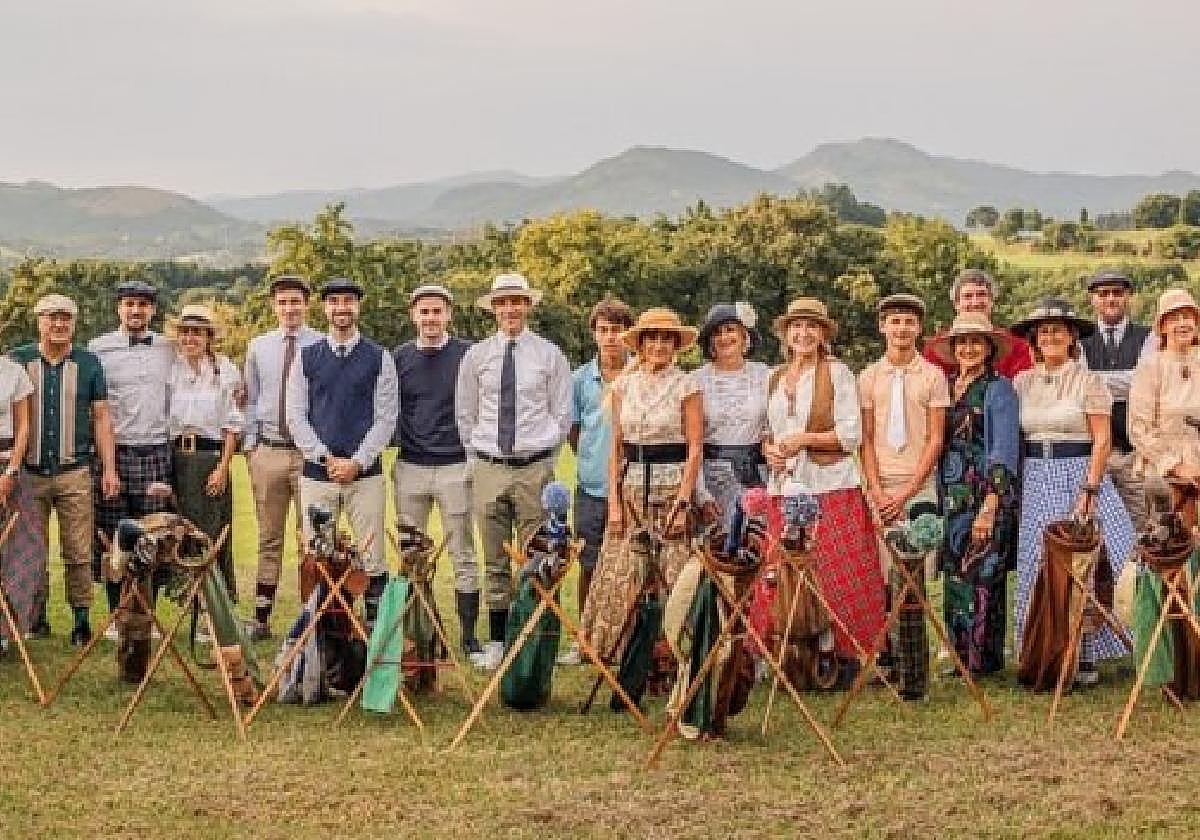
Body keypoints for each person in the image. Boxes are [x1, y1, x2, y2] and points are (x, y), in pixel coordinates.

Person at [1010, 298, 1134, 686]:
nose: (1050, 337)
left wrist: (1090, 487)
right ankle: (1043, 649)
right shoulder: (1022, 382)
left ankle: (1083, 653)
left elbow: (1101, 440)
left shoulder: (1088, 381)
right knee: (1039, 563)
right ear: (1034, 339)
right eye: (1043, 331)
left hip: (1077, 472)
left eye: (1058, 331)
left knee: (1086, 562)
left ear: (1072, 338)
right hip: (1036, 475)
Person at [764, 297, 886, 683]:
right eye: (796, 326)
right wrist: (771, 451)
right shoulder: (775, 376)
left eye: (811, 327)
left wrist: (802, 439)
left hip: (830, 484)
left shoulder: (836, 373)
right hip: (785, 487)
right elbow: (769, 432)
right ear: (786, 333)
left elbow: (851, 435)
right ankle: (794, 657)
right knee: (787, 573)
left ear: (822, 334)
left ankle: (840, 659)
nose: (803, 334)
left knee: (835, 573)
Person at [455, 273, 571, 669]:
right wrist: (478, 458)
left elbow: (562, 413)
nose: (510, 310)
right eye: (502, 303)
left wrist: (544, 456)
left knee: (538, 557)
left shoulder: (549, 355)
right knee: (495, 561)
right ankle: (500, 642)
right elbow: (465, 413)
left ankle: (533, 639)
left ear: (528, 305)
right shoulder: (478, 357)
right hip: (489, 467)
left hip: (534, 468)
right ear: (494, 309)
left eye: (517, 302)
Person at [579, 308, 703, 666]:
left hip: (672, 488)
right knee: (623, 570)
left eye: (667, 338)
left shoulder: (687, 384)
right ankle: (620, 648)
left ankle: (680, 648)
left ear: (676, 344)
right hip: (632, 489)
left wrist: (683, 500)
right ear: (642, 343)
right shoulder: (623, 386)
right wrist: (614, 506)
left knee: (677, 572)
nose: (660, 345)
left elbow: (695, 449)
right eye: (653, 338)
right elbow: (615, 448)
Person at [285, 277, 398, 630]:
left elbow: (386, 417)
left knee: (372, 554)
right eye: (334, 301)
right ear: (325, 308)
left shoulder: (380, 357)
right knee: (320, 556)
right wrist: (324, 458)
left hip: (365, 475)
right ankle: (328, 631)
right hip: (318, 475)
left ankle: (375, 630)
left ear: (357, 306)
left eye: (348, 300)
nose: (341, 307)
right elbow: (295, 414)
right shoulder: (308, 357)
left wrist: (357, 462)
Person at [11, 293, 118, 646]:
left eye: (65, 319)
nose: (58, 325)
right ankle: (33, 617)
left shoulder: (89, 363)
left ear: (74, 323)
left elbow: (102, 417)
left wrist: (110, 469)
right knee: (30, 549)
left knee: (78, 550)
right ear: (39, 321)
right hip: (30, 472)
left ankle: (81, 619)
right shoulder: (19, 361)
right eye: (51, 318)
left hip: (75, 471)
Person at [857, 293, 949, 693]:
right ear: (882, 327)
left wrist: (911, 489)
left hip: (917, 483)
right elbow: (865, 437)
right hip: (880, 484)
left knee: (912, 575)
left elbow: (936, 438)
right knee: (880, 574)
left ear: (919, 328)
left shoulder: (932, 376)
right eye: (894, 321)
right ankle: (886, 656)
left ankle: (915, 660)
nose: (901, 329)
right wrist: (877, 490)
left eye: (909, 322)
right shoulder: (868, 377)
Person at [925, 312, 1020, 675]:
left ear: (989, 348)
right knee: (955, 575)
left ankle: (982, 659)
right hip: (952, 495)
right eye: (962, 342)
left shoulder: (999, 388)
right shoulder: (946, 386)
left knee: (983, 576)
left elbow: (1004, 449)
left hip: (985, 494)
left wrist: (991, 504)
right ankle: (958, 654)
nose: (968, 348)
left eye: (976, 342)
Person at [392, 283, 480, 664]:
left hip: (455, 465)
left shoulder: (468, 355)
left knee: (462, 551)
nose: (430, 318)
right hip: (411, 464)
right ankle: (414, 630)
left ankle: (469, 636)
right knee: (410, 552)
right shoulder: (399, 358)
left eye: (437, 311)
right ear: (413, 315)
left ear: (449, 315)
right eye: (423, 311)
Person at [88, 280, 177, 626]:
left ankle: (145, 615)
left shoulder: (169, 348)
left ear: (152, 310)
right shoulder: (99, 349)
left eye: (143, 304)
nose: (136, 311)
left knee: (151, 536)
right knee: (114, 538)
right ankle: (115, 616)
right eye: (129, 304)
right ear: (118, 308)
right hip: (115, 454)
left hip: (156, 452)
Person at [241, 275, 323, 639]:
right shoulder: (259, 347)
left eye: (296, 302)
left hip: (308, 455)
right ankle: (261, 617)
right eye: (283, 302)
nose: (290, 309)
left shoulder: (321, 344)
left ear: (307, 305)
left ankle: (313, 617)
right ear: (274, 306)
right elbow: (249, 397)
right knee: (268, 536)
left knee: (312, 538)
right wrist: (250, 446)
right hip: (269, 451)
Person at [557, 296, 634, 666]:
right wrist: (592, 459)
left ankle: (625, 637)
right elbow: (574, 430)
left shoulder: (640, 374)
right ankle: (585, 639)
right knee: (588, 562)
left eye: (617, 330)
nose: (610, 338)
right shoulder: (579, 380)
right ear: (594, 334)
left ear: (628, 334)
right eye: (603, 331)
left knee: (630, 565)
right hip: (591, 486)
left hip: (633, 484)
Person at [166, 304, 244, 600]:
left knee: (210, 533)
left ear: (209, 337)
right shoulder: (173, 370)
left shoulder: (224, 370)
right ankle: (186, 601)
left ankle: (215, 603)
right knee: (179, 531)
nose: (190, 339)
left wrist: (222, 468)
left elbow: (232, 426)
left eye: (196, 333)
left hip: (210, 460)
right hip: (177, 459)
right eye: (185, 332)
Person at [1080, 270, 1155, 530]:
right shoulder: (1080, 340)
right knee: (1094, 529)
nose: (1110, 299)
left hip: (1136, 453)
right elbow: (1080, 385)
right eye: (1103, 294)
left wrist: (1093, 380)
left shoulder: (1149, 337)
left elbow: (1145, 382)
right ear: (1093, 299)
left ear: (1128, 297)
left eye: (1117, 293)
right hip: (1092, 454)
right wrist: (1129, 380)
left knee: (1140, 528)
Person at [693, 302, 770, 530]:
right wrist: (701, 493)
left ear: (745, 335)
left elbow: (773, 425)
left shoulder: (764, 374)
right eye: (717, 332)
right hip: (713, 476)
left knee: (758, 547)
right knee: (718, 551)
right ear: (710, 342)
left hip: (757, 475)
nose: (724, 337)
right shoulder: (696, 380)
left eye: (730, 330)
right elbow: (692, 443)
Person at [1130, 289, 1200, 528]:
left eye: (1187, 316)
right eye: (1174, 317)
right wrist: (1176, 466)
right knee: (1170, 549)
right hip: (1164, 474)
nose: (1182, 323)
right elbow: (1139, 428)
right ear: (1162, 326)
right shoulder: (1152, 366)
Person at [0, 344, 46, 654]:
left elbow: (24, 428)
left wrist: (11, 472)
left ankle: (5, 629)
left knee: (23, 549)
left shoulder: (13, 372)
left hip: (8, 468)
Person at [924, 268, 1034, 378]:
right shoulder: (935, 348)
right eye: (968, 296)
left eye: (981, 294)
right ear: (956, 304)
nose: (975, 303)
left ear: (992, 301)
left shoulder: (1017, 347)